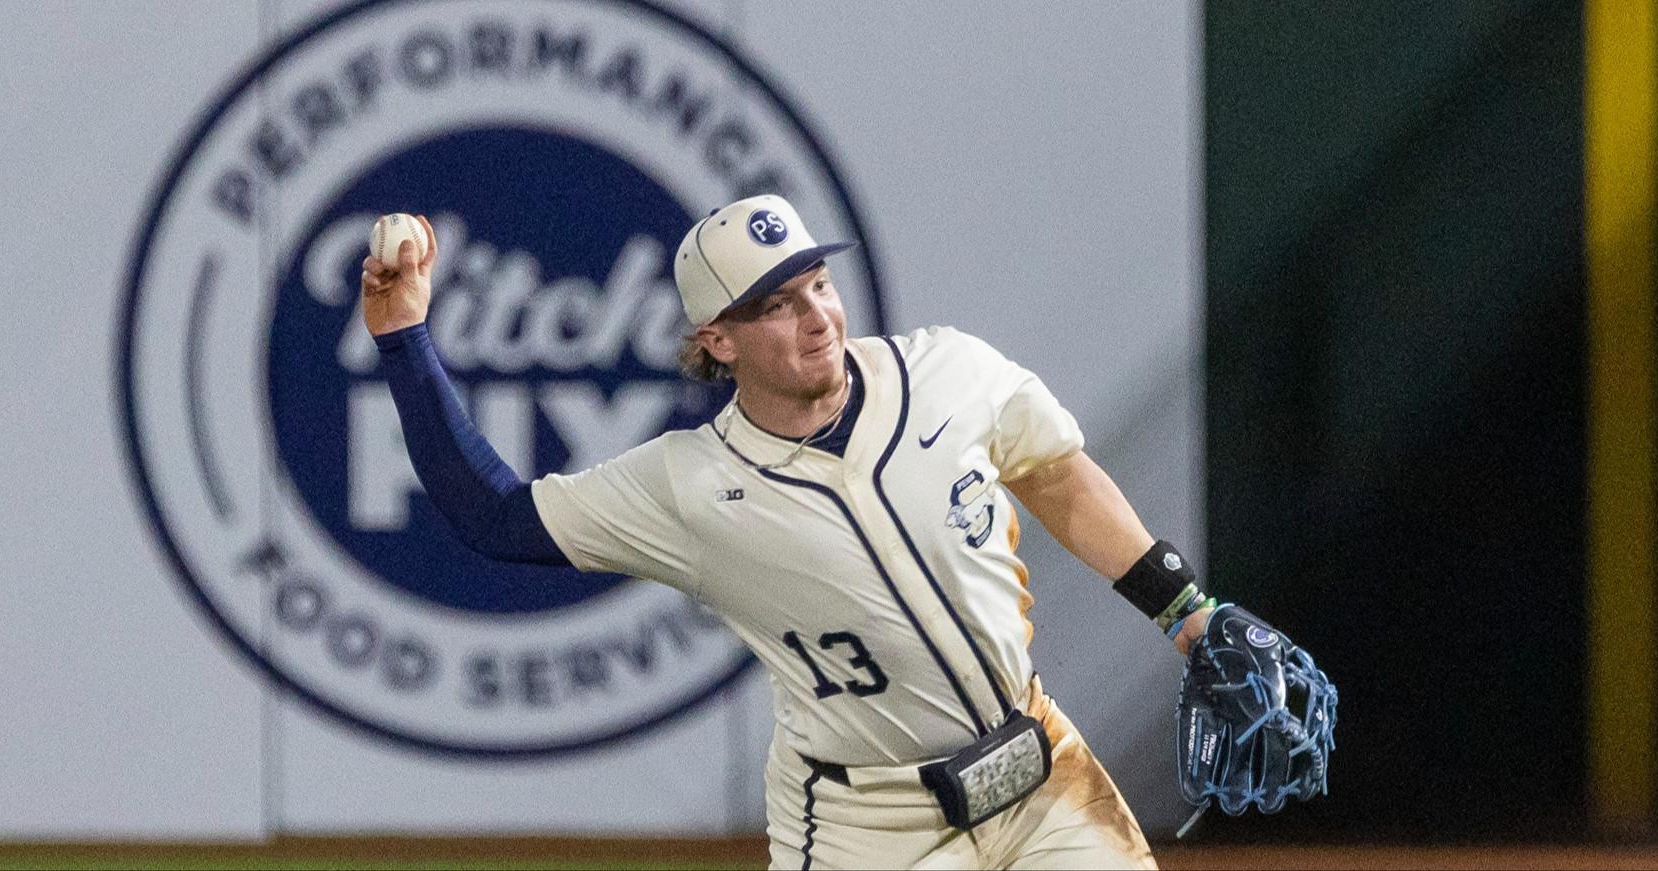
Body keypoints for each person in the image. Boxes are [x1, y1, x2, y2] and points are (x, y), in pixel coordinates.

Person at [360, 195, 1216, 870]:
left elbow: (1056, 472)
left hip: (1040, 771)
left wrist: (1183, 607)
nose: (817, 316)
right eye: (776, 303)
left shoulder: (947, 371)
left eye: (817, 283)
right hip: (868, 824)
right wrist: (403, 339)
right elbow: (495, 516)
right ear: (717, 340)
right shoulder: (689, 484)